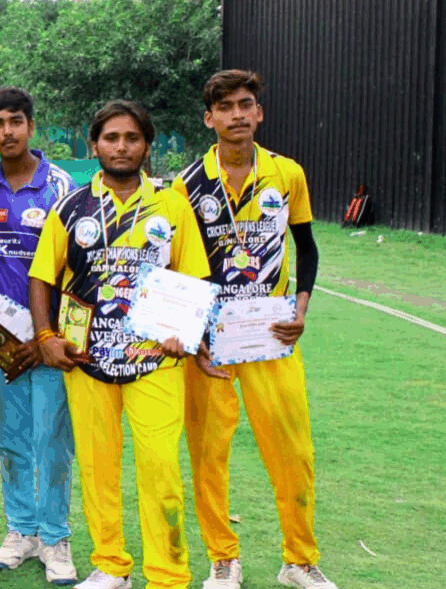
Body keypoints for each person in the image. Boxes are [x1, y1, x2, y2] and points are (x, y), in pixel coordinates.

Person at [27, 100, 209, 589]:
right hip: (87, 358)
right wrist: (46, 335)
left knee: (160, 467)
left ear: (147, 145)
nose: (122, 146)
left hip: (155, 359)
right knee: (98, 467)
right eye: (111, 137)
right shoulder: (71, 206)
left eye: (132, 138)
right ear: (95, 145)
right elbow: (42, 277)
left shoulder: (171, 203)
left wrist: (185, 333)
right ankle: (111, 565)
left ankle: (168, 575)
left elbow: (193, 276)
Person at [172, 70, 333, 589]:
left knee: (293, 450)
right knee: (208, 453)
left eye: (246, 104)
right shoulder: (186, 184)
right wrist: (192, 333)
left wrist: (301, 311)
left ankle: (299, 560)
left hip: (271, 335)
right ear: (209, 118)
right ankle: (223, 557)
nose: (237, 114)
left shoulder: (287, 173)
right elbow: (176, 266)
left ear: (259, 112)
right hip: (211, 339)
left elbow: (305, 248)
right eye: (226, 106)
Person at [0, 87, 80, 583]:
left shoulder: (61, 187)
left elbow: (74, 270)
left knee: (52, 439)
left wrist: (49, 333)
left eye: (16, 121)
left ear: (31, 126)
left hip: (51, 339)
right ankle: (20, 530)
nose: (7, 131)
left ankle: (55, 537)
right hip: (2, 340)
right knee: (10, 439)